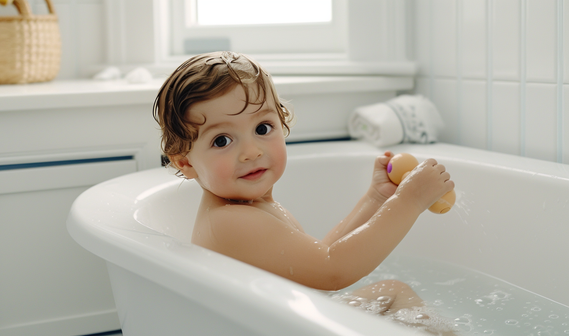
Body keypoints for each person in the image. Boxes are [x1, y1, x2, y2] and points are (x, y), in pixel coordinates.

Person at [153, 51, 455, 318]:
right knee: (393, 294)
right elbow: (332, 270)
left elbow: (320, 253)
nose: (252, 151)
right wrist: (410, 200)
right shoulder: (228, 222)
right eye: (222, 140)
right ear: (185, 162)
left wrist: (377, 198)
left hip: (284, 323)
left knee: (392, 291)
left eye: (262, 128)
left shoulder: (248, 207)